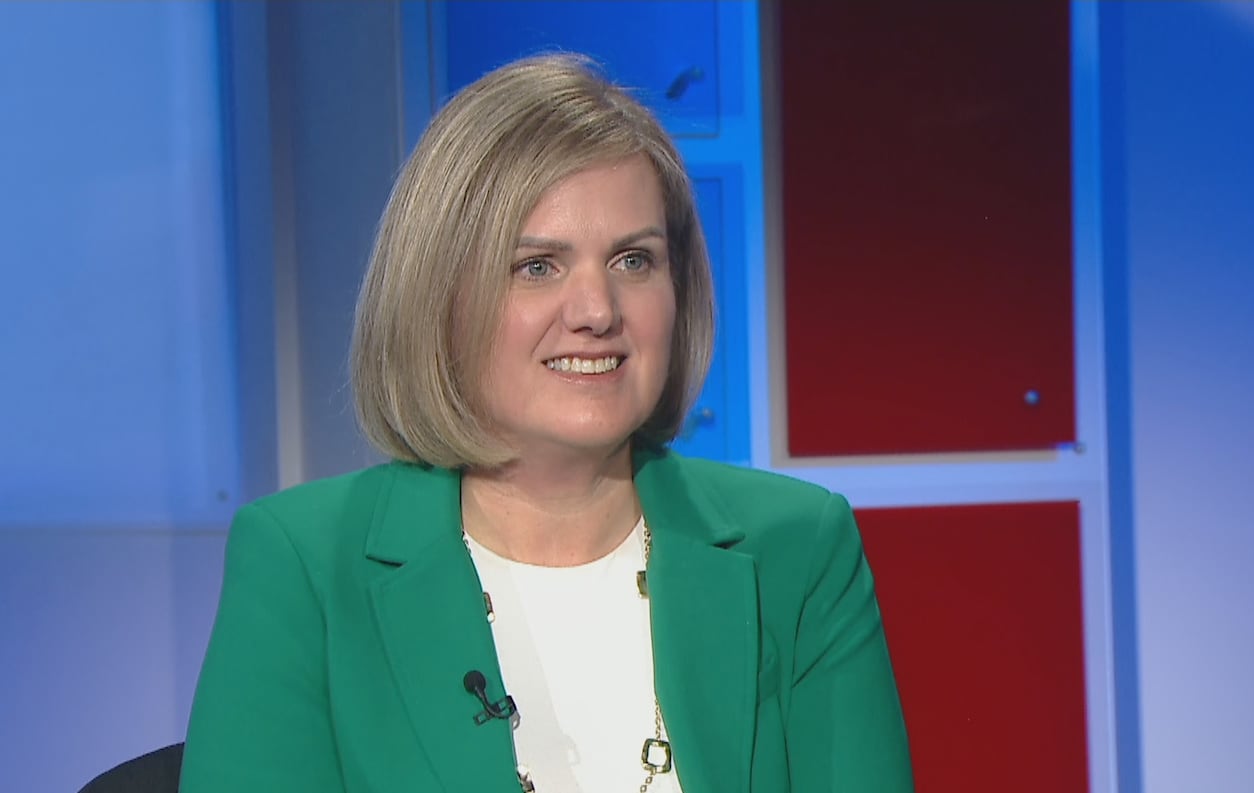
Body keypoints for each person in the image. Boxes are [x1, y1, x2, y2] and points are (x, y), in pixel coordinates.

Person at [179, 53, 913, 793]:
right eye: (537, 267)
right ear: (439, 296)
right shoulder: (305, 566)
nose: (597, 311)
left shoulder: (798, 548)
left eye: (633, 260)